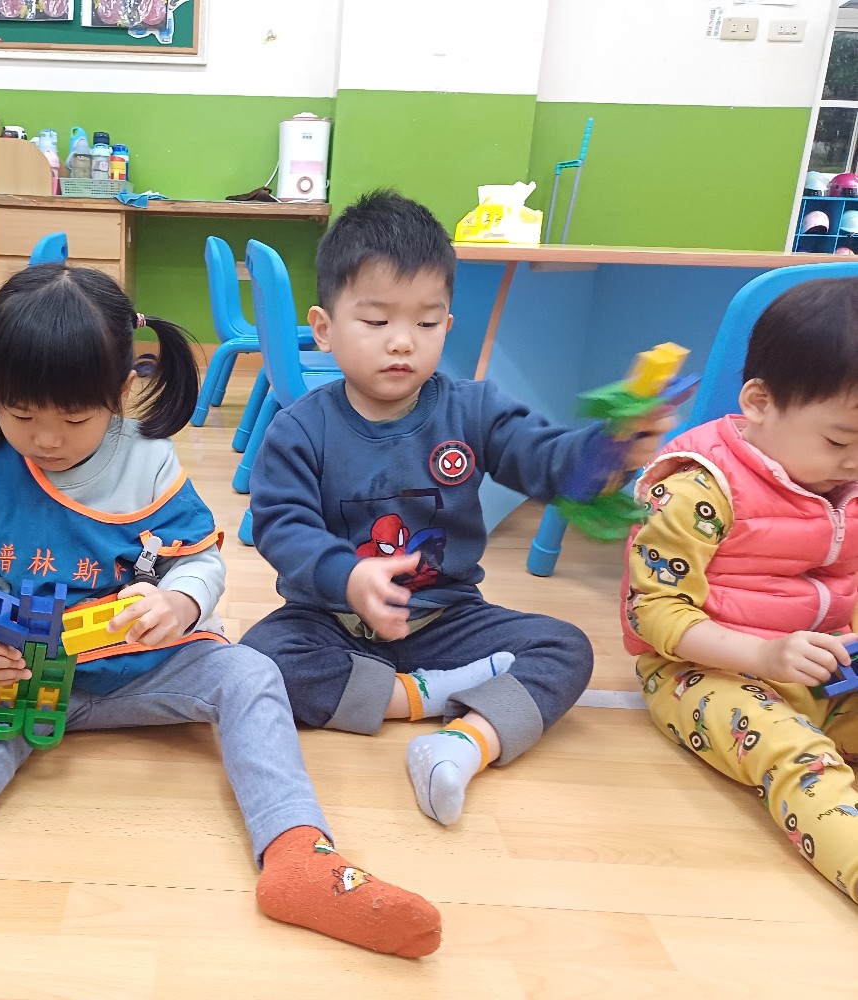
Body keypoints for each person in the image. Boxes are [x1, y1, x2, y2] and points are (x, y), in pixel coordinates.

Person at [0, 264, 442, 988]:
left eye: (73, 419)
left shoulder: (148, 461)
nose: (46, 439)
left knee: (250, 673)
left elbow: (199, 559)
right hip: (27, 675)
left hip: (142, 668)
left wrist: (178, 604)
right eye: (21, 414)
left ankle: (298, 856)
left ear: (120, 391)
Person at [240, 190, 671, 826]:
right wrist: (349, 577)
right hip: (332, 621)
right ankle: (435, 696)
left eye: (426, 323)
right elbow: (283, 527)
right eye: (376, 321)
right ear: (325, 329)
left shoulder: (473, 409)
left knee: (566, 648)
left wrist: (609, 450)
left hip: (447, 620)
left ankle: (463, 742)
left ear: (447, 326)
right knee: (259, 660)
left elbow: (544, 458)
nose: (402, 343)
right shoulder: (299, 430)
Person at [624, 276, 858, 903]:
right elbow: (654, 614)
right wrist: (763, 655)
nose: (854, 461)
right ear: (758, 402)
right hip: (705, 672)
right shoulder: (699, 487)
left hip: (829, 668)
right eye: (839, 441)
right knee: (795, 755)